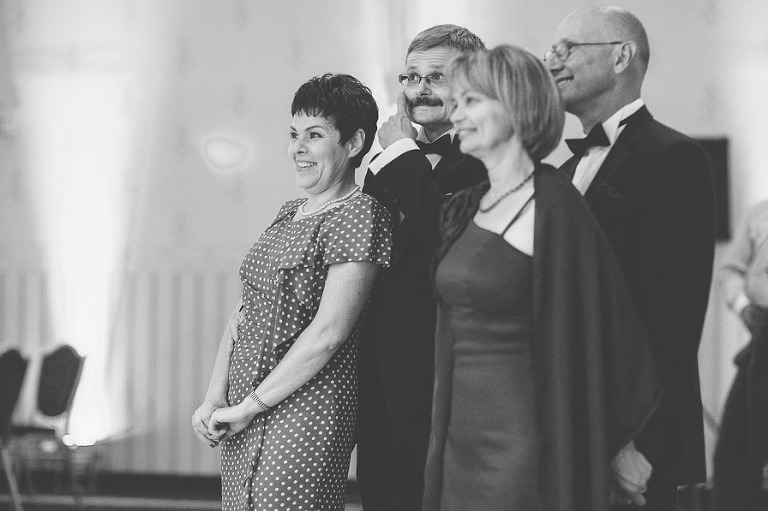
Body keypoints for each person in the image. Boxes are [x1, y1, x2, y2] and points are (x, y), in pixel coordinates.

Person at [393, 43, 659, 511]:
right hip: (457, 431)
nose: (456, 114)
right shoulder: (465, 206)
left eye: (471, 101)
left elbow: (601, 324)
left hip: (525, 435)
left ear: (516, 106)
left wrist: (617, 443)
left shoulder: (554, 204)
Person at [190, 73, 392, 511]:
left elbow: (330, 333)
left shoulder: (361, 213)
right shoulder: (289, 212)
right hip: (243, 407)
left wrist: (251, 405)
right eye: (293, 134)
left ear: (354, 143)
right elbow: (244, 312)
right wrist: (215, 396)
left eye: (314, 135)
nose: (297, 148)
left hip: (307, 411)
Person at [547, 7, 716, 509]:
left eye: (568, 48)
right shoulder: (564, 171)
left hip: (635, 440)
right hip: (570, 426)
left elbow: (673, 319)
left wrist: (633, 443)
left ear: (621, 57)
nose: (552, 61)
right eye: (552, 49)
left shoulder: (674, 158)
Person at [357, 24, 487, 510]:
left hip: (443, 367)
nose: (419, 89)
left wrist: (402, 152)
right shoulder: (384, 164)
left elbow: (447, 242)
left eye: (436, 76)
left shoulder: (487, 157)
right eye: (411, 77)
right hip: (379, 368)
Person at [713, 200, 768, 510]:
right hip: (761, 343)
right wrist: (743, 307)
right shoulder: (760, 213)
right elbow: (731, 269)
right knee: (732, 455)